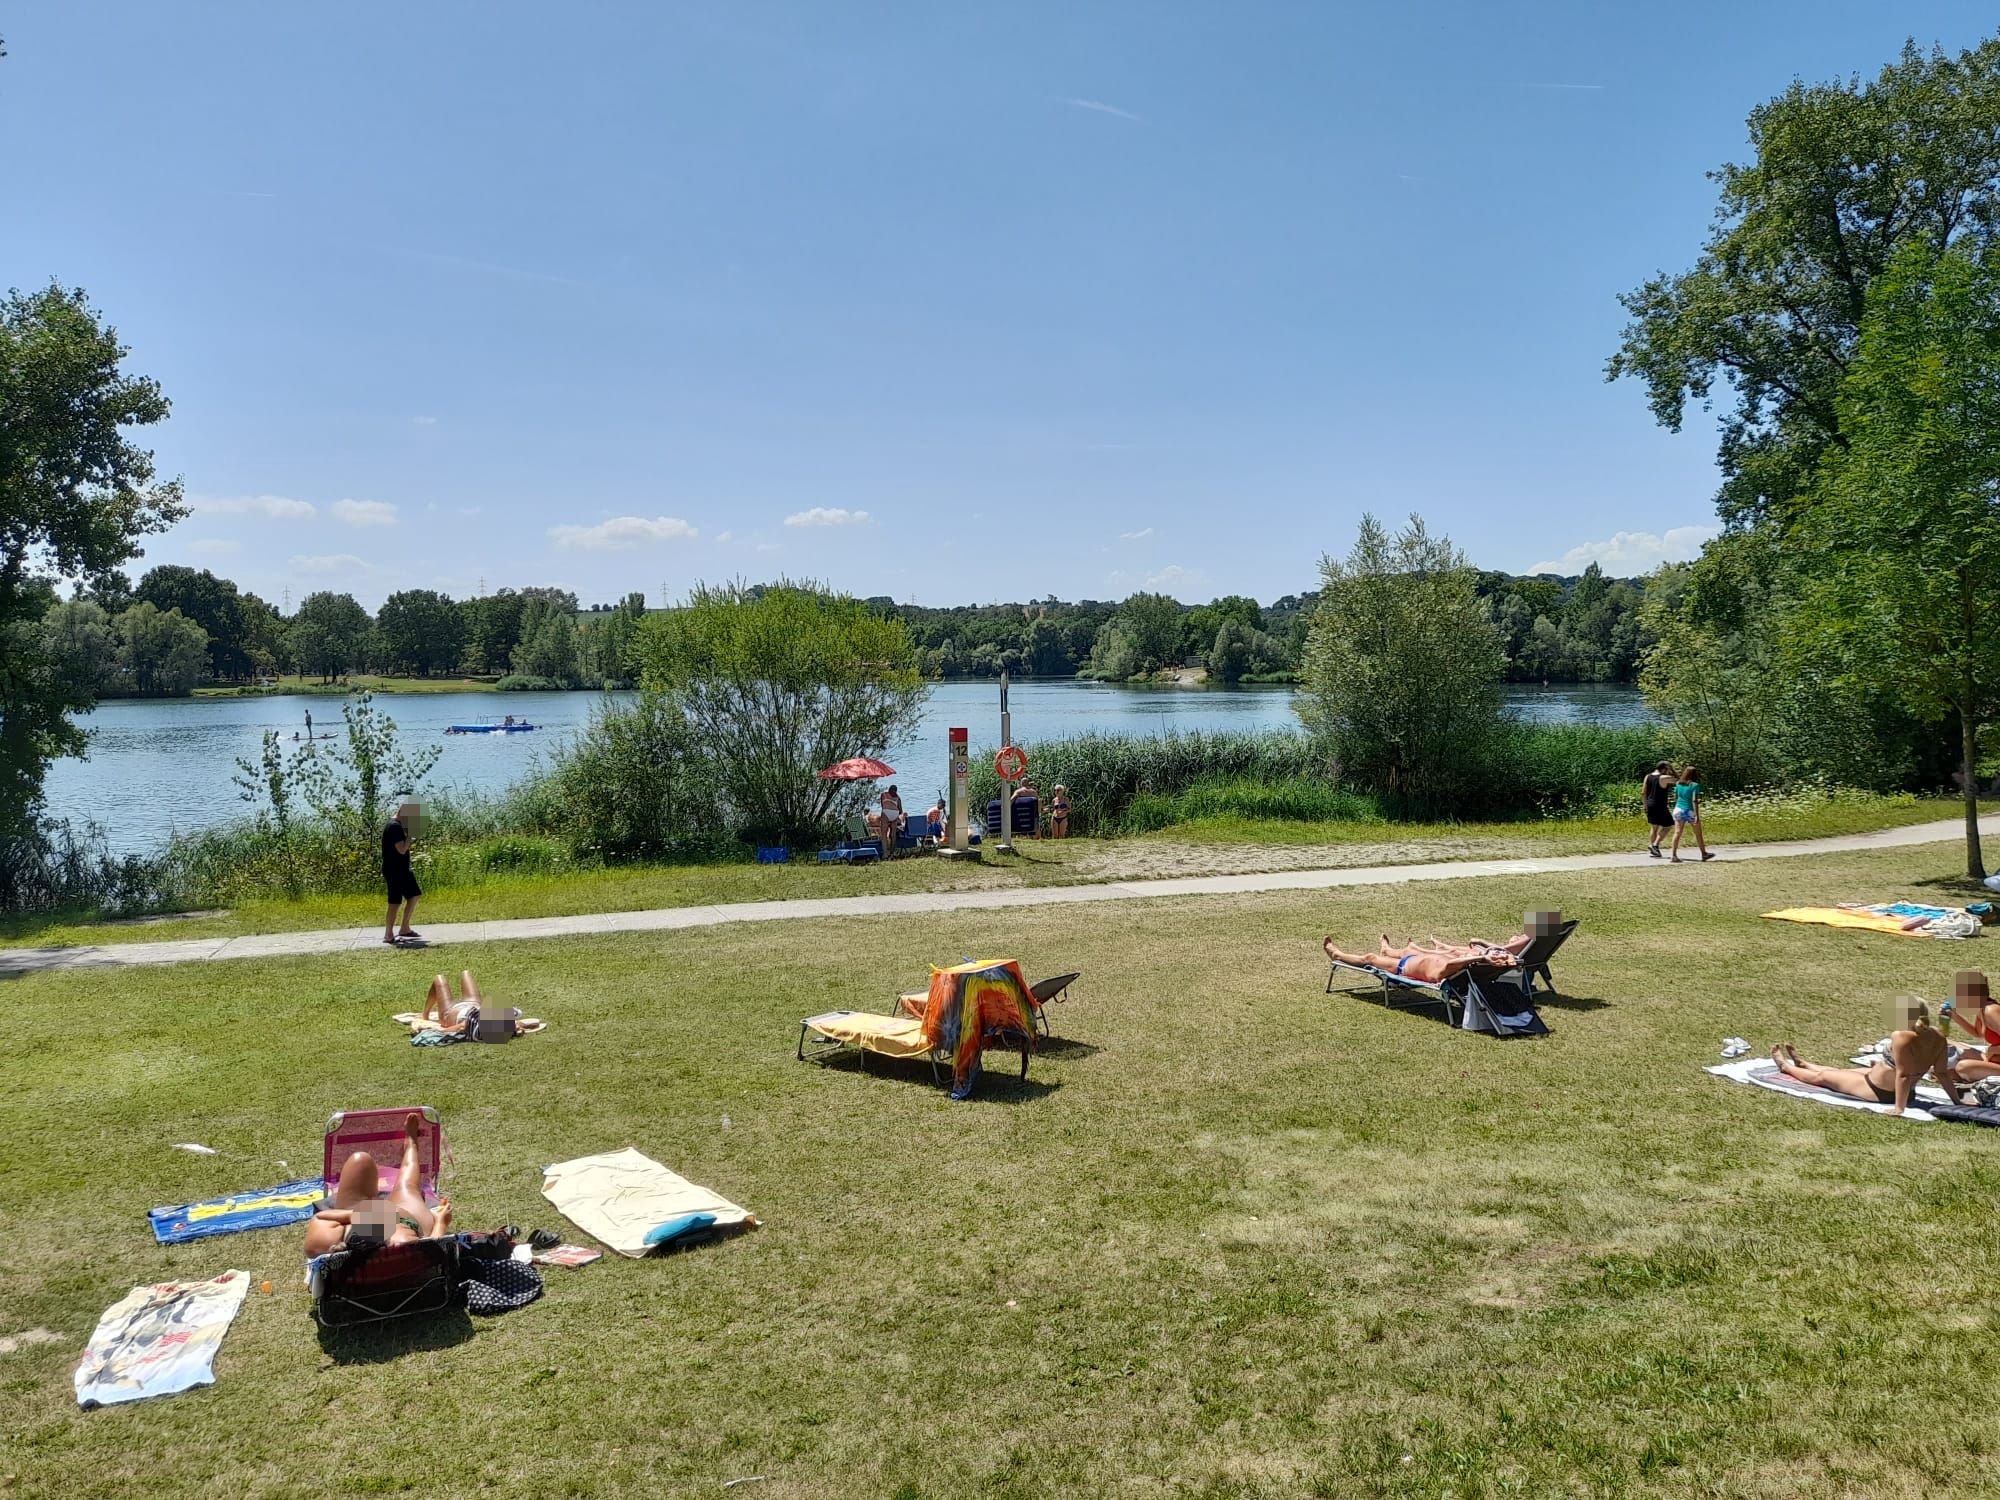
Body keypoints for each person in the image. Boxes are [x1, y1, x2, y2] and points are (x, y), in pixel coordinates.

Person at [304, 1112, 452, 1258]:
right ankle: (411, 1145)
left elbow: (319, 1218)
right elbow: (433, 1251)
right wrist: (441, 1222)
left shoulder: (327, 1242)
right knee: (407, 1186)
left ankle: (410, 1147)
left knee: (360, 1160)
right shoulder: (402, 1243)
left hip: (375, 1222)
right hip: (406, 1219)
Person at [1770, 1006, 1961, 1117]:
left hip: (1880, 1092)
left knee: (1824, 1076)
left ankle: (1785, 1066)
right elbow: (1942, 1073)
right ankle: (1804, 1064)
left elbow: (1903, 1074)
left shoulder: (1903, 1036)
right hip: (1895, 1087)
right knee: (1841, 1071)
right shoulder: (1938, 1036)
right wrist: (1956, 1102)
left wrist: (1899, 1108)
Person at [1322, 935, 1519, 984]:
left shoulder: (1451, 968)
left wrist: (1482, 956)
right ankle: (1388, 949)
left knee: (1370, 958)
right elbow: (1467, 950)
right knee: (1408, 950)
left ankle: (1337, 954)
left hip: (1402, 968)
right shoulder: (1462, 963)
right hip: (1414, 959)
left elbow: (1451, 963)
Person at [1941, 971, 2000, 1088]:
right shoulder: (1982, 1009)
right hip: (1992, 1060)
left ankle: (1961, 1077)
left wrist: (1993, 1050)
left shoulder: (1990, 1011)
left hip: (1994, 1060)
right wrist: (1954, 1015)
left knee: (1963, 1067)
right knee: (1947, 1042)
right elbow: (1977, 1033)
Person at [381, 812, 421, 944]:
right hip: (394, 870)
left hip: (402, 870)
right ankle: (388, 935)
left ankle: (404, 928)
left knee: (414, 895)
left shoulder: (396, 825)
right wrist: (411, 835)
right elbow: (402, 849)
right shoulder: (394, 827)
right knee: (394, 902)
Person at [1669, 765, 1712, 863]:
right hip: (1689, 810)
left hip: (1678, 809)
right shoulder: (1694, 785)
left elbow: (1676, 797)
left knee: (1677, 832)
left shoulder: (1678, 784)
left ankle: (1673, 855)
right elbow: (1694, 800)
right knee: (1698, 833)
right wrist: (1697, 814)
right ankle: (1703, 853)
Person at [1642, 761, 1675, 858]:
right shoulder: (1663, 777)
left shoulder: (1648, 776)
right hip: (1660, 805)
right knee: (1668, 825)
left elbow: (1643, 792)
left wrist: (1645, 806)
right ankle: (1655, 845)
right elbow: (1679, 780)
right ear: (1664, 769)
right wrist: (1672, 769)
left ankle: (1654, 850)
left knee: (1654, 827)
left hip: (1650, 804)